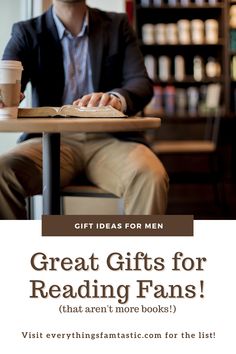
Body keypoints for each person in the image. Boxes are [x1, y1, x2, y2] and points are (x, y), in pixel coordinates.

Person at [0, 0, 168, 219]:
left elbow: (141, 84)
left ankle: (137, 254)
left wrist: (116, 99)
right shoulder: (27, 31)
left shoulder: (117, 25)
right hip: (49, 141)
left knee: (151, 176)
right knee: (2, 173)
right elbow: (8, 78)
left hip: (110, 141)